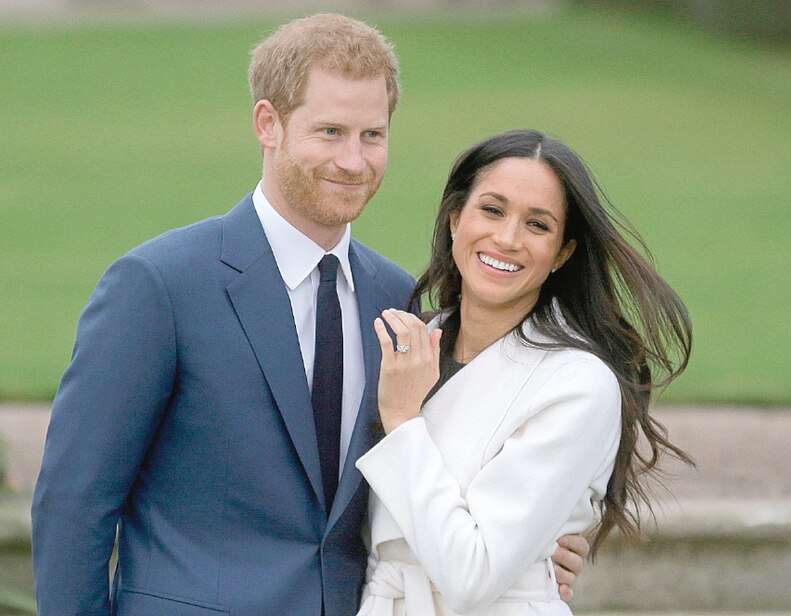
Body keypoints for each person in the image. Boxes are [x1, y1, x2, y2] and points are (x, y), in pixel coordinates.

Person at [30, 15, 586, 616]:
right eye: (330, 131)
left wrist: (540, 547)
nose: (353, 160)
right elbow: (73, 503)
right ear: (268, 124)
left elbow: (439, 474)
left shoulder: (401, 302)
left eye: (372, 135)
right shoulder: (160, 286)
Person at [353, 129, 693, 615]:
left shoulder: (577, 384)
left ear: (562, 253)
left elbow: (473, 575)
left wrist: (405, 422)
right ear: (455, 219)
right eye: (492, 210)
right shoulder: (407, 348)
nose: (507, 238)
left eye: (537, 225)